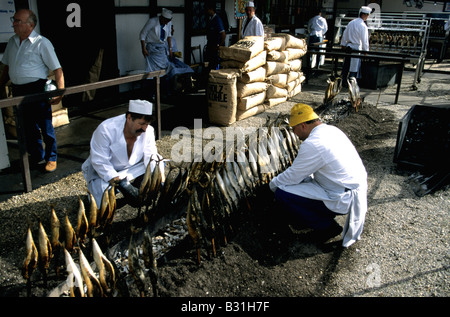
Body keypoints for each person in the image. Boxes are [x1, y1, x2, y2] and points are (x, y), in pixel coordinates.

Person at [269, 104, 368, 247]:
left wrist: (272, 185)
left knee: (282, 193)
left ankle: (326, 228)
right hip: (347, 187)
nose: (294, 133)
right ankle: (319, 216)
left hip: (341, 195)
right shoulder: (332, 130)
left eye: (294, 129)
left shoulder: (313, 143)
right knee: (300, 184)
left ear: (303, 125)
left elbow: (293, 176)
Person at [0, 9, 65, 173]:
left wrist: (60, 91)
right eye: (13, 20)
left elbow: (57, 69)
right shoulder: (12, 41)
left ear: (30, 25)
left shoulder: (42, 42)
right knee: (27, 127)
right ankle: (37, 155)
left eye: (17, 21)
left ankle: (51, 157)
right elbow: (6, 67)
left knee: (45, 125)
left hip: (36, 88)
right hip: (18, 90)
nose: (13, 23)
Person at [82, 100, 163, 208]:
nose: (144, 128)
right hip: (103, 170)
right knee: (103, 206)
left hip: (130, 167)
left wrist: (160, 180)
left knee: (158, 164)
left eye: (147, 124)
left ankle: (135, 191)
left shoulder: (148, 130)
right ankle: (96, 193)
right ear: (129, 118)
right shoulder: (106, 129)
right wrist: (123, 185)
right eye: (141, 124)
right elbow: (100, 162)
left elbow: (151, 155)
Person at [340, 6, 371, 84]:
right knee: (353, 67)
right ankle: (351, 82)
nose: (367, 17)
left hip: (348, 46)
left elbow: (345, 34)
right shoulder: (363, 26)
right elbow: (365, 40)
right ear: (364, 15)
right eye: (367, 15)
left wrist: (343, 44)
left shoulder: (351, 22)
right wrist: (366, 50)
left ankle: (343, 81)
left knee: (346, 65)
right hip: (356, 47)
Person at [140, 8, 174, 75]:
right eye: (165, 21)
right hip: (152, 48)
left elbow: (169, 35)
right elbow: (142, 34)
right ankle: (152, 83)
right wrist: (143, 48)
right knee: (152, 70)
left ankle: (161, 83)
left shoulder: (169, 23)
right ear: (162, 18)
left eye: (168, 22)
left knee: (164, 68)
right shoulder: (152, 21)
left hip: (162, 48)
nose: (167, 23)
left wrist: (170, 48)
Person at [205, 2, 226, 71]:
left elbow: (223, 34)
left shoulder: (217, 19)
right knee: (210, 64)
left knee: (215, 65)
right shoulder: (211, 19)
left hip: (215, 46)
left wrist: (220, 45)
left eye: (207, 10)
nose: (207, 12)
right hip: (211, 45)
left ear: (211, 9)